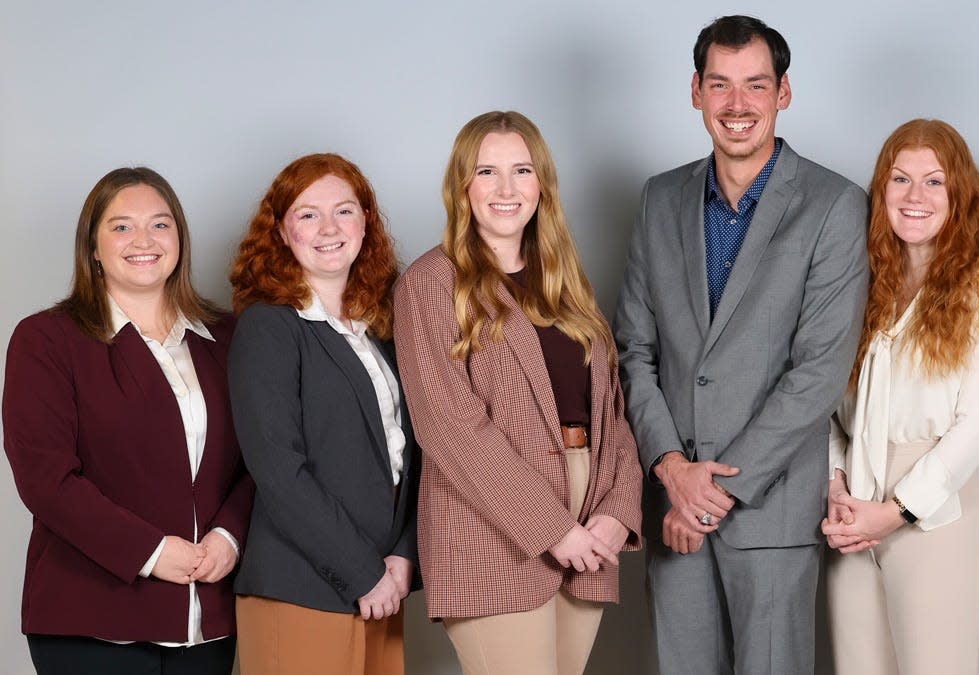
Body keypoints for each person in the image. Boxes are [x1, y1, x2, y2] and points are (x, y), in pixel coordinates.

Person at [613, 15, 869, 675]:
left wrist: (716, 491)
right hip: (674, 506)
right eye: (720, 85)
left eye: (755, 86)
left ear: (783, 94)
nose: (737, 105)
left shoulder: (834, 205)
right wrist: (672, 469)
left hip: (771, 512)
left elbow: (819, 371)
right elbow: (634, 350)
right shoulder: (659, 197)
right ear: (695, 91)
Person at [394, 110, 642, 675]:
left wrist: (617, 513)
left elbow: (613, 414)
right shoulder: (431, 284)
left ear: (541, 185)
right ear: (463, 187)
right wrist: (551, 529)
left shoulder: (567, 282)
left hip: (589, 509)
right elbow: (449, 429)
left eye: (522, 171)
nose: (506, 189)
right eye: (487, 172)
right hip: (491, 528)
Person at [2, 167, 252, 674]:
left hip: (209, 617)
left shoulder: (228, 338)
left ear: (179, 238)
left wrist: (231, 535)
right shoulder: (46, 340)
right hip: (92, 617)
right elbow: (45, 479)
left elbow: (261, 458)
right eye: (121, 226)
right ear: (92, 246)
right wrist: (152, 552)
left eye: (160, 225)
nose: (144, 240)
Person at [820, 119, 979, 674]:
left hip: (938, 504)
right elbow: (827, 410)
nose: (915, 196)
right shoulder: (860, 285)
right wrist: (836, 485)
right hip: (855, 503)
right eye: (901, 179)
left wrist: (896, 510)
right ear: (881, 189)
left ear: (960, 195)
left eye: (934, 182)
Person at [227, 153, 419, 675]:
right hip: (303, 587)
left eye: (345, 211)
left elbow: (411, 452)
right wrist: (363, 573)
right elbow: (278, 470)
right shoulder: (269, 327)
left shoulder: (381, 328)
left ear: (366, 224)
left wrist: (404, 555)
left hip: (384, 584)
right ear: (282, 232)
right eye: (308, 214)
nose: (329, 228)